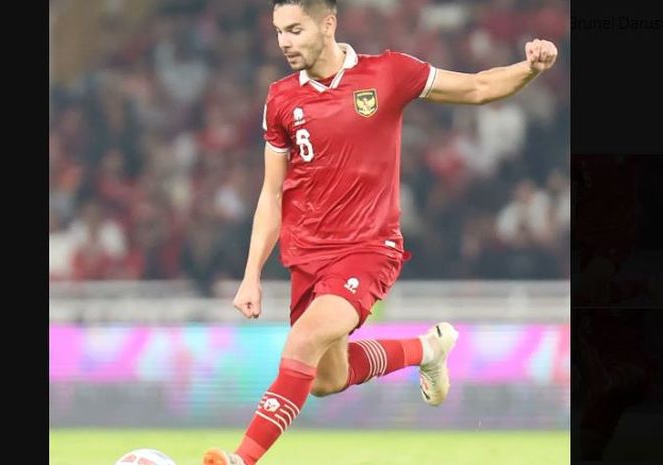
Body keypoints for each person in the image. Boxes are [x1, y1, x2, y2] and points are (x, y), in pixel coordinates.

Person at [203, 1, 558, 464]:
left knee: (303, 341)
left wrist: (529, 67)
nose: (284, 42)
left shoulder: (389, 72)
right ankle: (427, 348)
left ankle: (240, 460)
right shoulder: (281, 99)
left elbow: (477, 88)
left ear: (327, 24)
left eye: (294, 29)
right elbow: (272, 194)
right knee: (327, 380)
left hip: (367, 249)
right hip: (307, 256)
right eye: (278, 32)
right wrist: (251, 274)